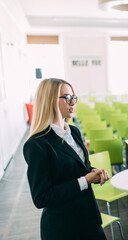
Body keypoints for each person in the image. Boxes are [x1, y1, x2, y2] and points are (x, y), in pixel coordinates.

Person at [23, 78, 110, 240]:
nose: (73, 102)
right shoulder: (36, 145)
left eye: (74, 97)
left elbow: (80, 168)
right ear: (50, 101)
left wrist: (94, 173)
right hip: (63, 228)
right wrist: (85, 180)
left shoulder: (74, 132)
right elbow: (41, 197)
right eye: (67, 98)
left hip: (89, 219)